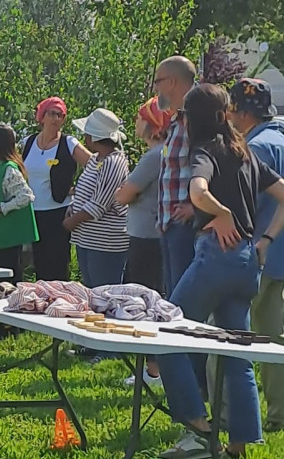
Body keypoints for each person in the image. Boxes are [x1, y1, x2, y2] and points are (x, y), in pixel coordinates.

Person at [156, 83, 284, 459]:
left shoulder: (205, 151)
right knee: (235, 351)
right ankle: (238, 447)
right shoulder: (245, 153)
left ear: (192, 118)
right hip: (248, 260)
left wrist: (220, 212)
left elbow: (197, 191)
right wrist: (266, 241)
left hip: (216, 256)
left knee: (168, 335)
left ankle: (197, 425)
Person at [227, 78, 284, 432]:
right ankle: (279, 411)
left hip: (261, 253)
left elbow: (242, 207)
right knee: (275, 334)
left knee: (242, 337)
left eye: (232, 110)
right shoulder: (279, 139)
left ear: (242, 113)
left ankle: (244, 417)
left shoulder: (256, 148)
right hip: (280, 253)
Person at [115, 97, 171, 387]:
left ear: (152, 123)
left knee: (147, 302)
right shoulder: (161, 153)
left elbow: (124, 193)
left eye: (139, 117)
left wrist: (127, 192)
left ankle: (154, 371)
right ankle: (153, 370)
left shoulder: (154, 156)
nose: (135, 122)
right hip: (148, 235)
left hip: (147, 238)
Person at [21, 97, 91, 281]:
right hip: (32, 212)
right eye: (52, 113)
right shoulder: (27, 142)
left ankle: (60, 304)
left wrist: (79, 189)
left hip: (58, 212)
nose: (56, 119)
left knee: (58, 264)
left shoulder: (69, 143)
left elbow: (95, 166)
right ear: (41, 116)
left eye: (60, 115)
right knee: (38, 263)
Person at [64, 108, 129, 288]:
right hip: (87, 238)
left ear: (92, 137)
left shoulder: (113, 162)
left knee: (104, 291)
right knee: (93, 291)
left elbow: (99, 204)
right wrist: (72, 209)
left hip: (105, 242)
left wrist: (72, 221)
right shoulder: (95, 160)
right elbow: (85, 192)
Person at [154, 55, 199, 296]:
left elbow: (217, 163)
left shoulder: (197, 117)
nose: (156, 88)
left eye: (158, 81)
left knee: (184, 304)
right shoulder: (177, 120)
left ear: (171, 82)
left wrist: (195, 206)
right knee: (173, 300)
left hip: (187, 225)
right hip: (170, 224)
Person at [0, 124, 38, 284]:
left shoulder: (10, 169)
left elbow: (26, 196)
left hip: (9, 236)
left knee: (8, 276)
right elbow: (4, 191)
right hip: (1, 236)